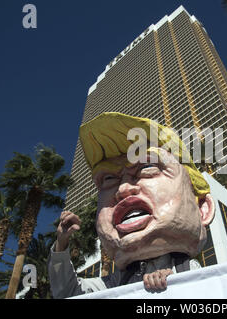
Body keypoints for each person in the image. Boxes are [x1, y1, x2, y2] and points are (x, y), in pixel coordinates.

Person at [48, 112, 215, 298]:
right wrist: (61, 246)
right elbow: (67, 293)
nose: (124, 189)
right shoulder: (112, 284)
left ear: (202, 209)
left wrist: (176, 283)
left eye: (146, 167)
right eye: (109, 178)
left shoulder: (196, 274)